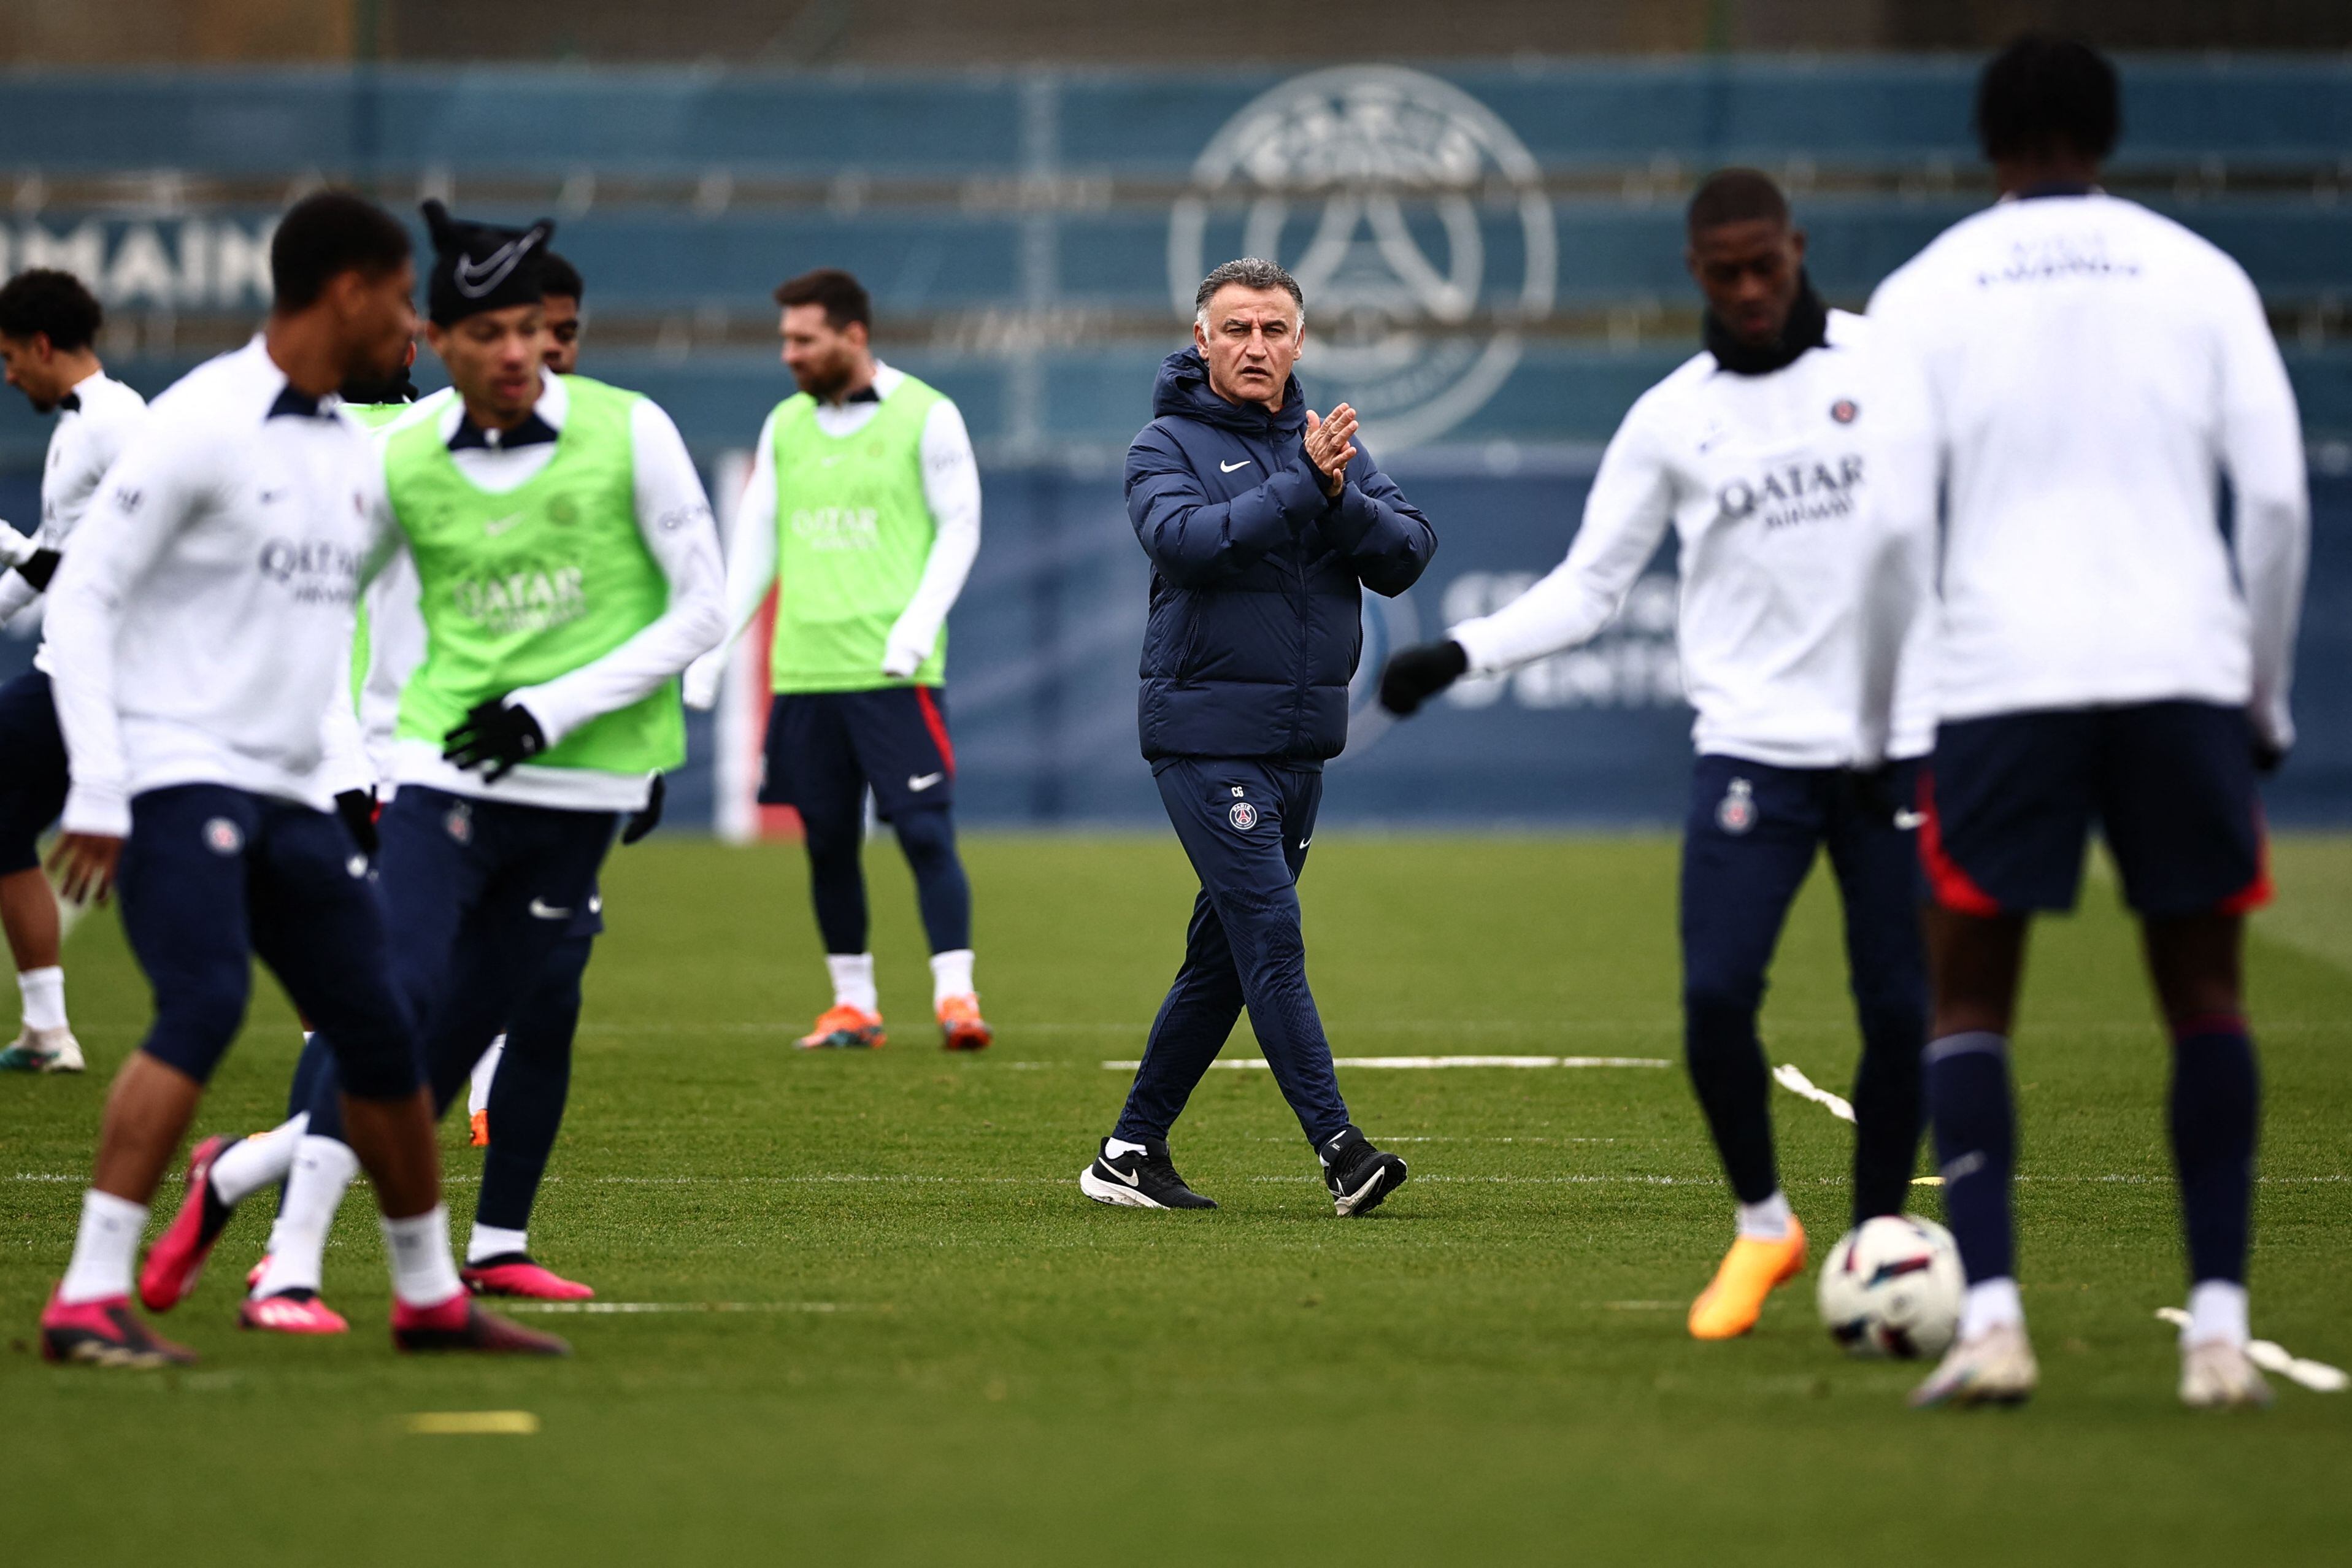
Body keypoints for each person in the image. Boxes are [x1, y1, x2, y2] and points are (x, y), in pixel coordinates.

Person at [148, 201, 726, 1334]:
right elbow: (311, 613)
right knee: (385, 1006)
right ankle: (291, 1267)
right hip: (425, 777)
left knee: (456, 1037)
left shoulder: (631, 431)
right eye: (493, 331)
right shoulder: (393, 455)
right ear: (433, 340)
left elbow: (692, 605)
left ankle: (242, 1176)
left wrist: (571, 718)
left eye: (539, 329)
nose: (522, 352)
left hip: (578, 794)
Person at [1380, 173, 1939, 1337]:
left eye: (1764, 267)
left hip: (1896, 747)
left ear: (1794, 249)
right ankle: (1762, 1227)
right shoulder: (1670, 418)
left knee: (1899, 1012)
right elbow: (1589, 586)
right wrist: (1458, 654)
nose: (1747, 290)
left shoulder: (1893, 364)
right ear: (1693, 271)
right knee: (1712, 997)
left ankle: (1876, 1242)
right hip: (1751, 750)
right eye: (1723, 271)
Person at [34, 190, 565, 1364]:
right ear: (347, 293)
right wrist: (103, 787)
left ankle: (427, 1297)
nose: (415, 327)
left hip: (294, 791)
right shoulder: (200, 421)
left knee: (383, 1028)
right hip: (179, 777)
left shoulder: (351, 450)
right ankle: (85, 1294)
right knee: (208, 1003)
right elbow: (85, 592)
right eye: (401, 302)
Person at [1869, 37, 2308, 1409]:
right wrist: (2263, 688)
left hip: (2002, 676)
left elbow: (1890, 527)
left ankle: (1995, 1324)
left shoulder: (1925, 291)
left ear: (1987, 141)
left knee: (1971, 1000)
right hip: (2180, 663)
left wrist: (1898, 699)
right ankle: (2220, 1340)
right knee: (2205, 998)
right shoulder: (2202, 274)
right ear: (2108, 132)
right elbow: (2283, 504)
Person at [1080, 257, 1434, 1215]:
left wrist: (1335, 492)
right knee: (1271, 933)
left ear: (1299, 342)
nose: (1254, 346)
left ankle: (1128, 1152)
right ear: (1200, 341)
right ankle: (1341, 1151)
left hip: (1298, 745)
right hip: (1202, 736)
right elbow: (1186, 543)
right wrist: (1302, 489)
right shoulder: (1164, 443)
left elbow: (1407, 551)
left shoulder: (1329, 448)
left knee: (1225, 958)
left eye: (1272, 330)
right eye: (1235, 329)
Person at [685, 267, 990, 1053]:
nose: (789, 354)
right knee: (824, 842)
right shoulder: (785, 425)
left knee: (925, 832)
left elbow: (960, 527)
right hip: (806, 674)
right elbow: (754, 544)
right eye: (784, 339)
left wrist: (918, 626)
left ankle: (956, 996)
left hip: (895, 674)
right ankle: (853, 1004)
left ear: (853, 335)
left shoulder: (927, 414)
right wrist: (714, 648)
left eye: (803, 339)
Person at [0, 269, 147, 1074]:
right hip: (71, 671)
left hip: (92, 680)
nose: (9, 372)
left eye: (10, 356)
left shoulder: (117, 422)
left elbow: (157, 538)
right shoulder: (78, 427)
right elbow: (55, 565)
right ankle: (46, 1031)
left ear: (42, 344)